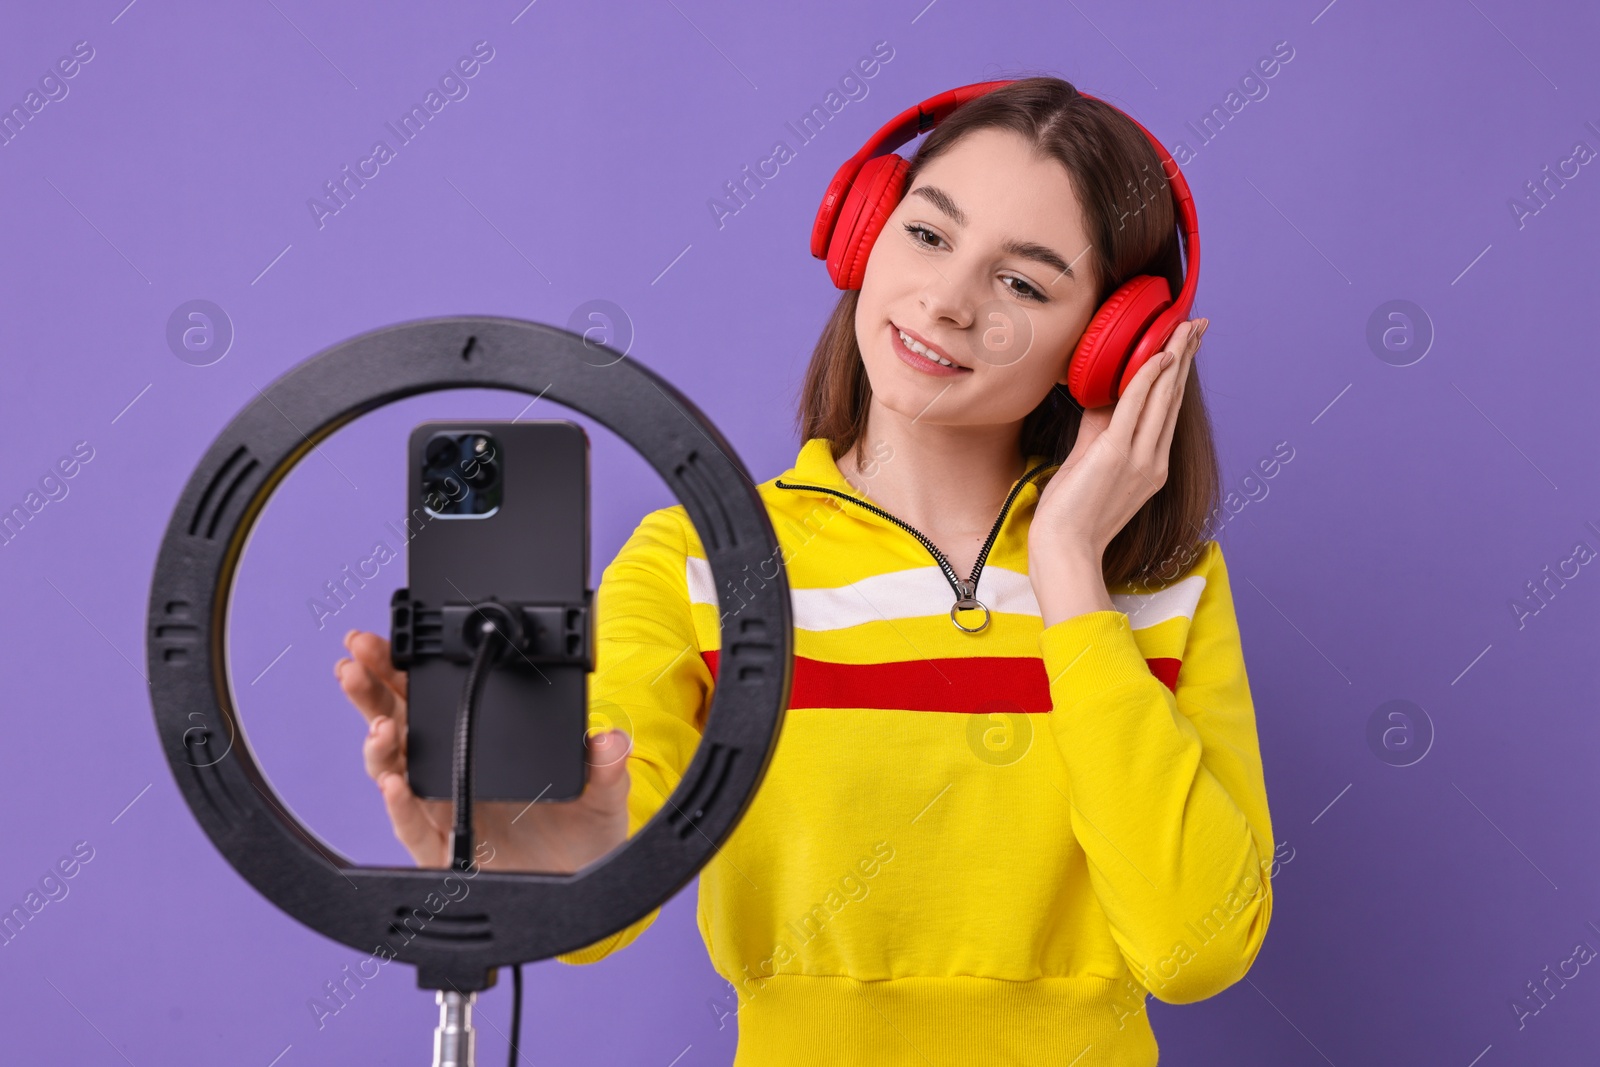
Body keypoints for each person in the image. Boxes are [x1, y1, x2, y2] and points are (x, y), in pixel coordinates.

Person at [336, 76, 1274, 1066]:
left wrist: (1071, 573)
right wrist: (531, 855)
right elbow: (601, 895)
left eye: (1022, 283)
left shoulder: (1164, 584)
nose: (946, 301)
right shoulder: (699, 560)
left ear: (1105, 349)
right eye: (926, 234)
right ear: (861, 233)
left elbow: (1193, 946)